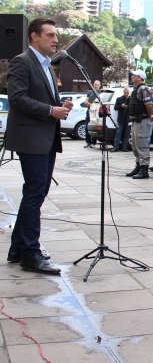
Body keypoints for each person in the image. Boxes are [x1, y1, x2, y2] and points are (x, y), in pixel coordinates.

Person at [5, 17, 73, 275]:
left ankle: (18, 248)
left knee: (37, 192)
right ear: (34, 36)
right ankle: (31, 254)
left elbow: (42, 98)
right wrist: (50, 110)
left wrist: (60, 106)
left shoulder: (46, 65)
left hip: (45, 137)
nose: (56, 40)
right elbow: (18, 98)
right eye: (50, 35)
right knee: (34, 193)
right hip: (31, 138)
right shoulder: (22, 61)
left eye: (56, 35)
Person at [125, 70, 153, 179]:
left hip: (142, 121)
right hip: (136, 121)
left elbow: (149, 105)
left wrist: (150, 116)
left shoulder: (143, 89)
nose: (132, 77)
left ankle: (144, 170)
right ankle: (138, 166)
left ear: (140, 78)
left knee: (142, 146)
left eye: (134, 75)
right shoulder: (136, 89)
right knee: (135, 146)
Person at [112, 87, 131, 152]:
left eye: (127, 93)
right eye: (125, 93)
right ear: (123, 92)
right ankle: (115, 147)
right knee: (118, 133)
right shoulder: (119, 99)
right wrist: (121, 106)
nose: (126, 94)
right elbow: (115, 107)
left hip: (128, 119)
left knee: (127, 134)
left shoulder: (131, 99)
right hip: (121, 119)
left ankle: (124, 147)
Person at [83, 79, 101, 148]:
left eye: (97, 85)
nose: (95, 86)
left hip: (95, 114)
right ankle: (88, 142)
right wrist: (92, 105)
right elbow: (85, 102)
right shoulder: (90, 92)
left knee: (94, 128)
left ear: (99, 86)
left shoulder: (100, 93)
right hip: (89, 112)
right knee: (87, 127)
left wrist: (92, 106)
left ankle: (93, 142)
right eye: (95, 84)